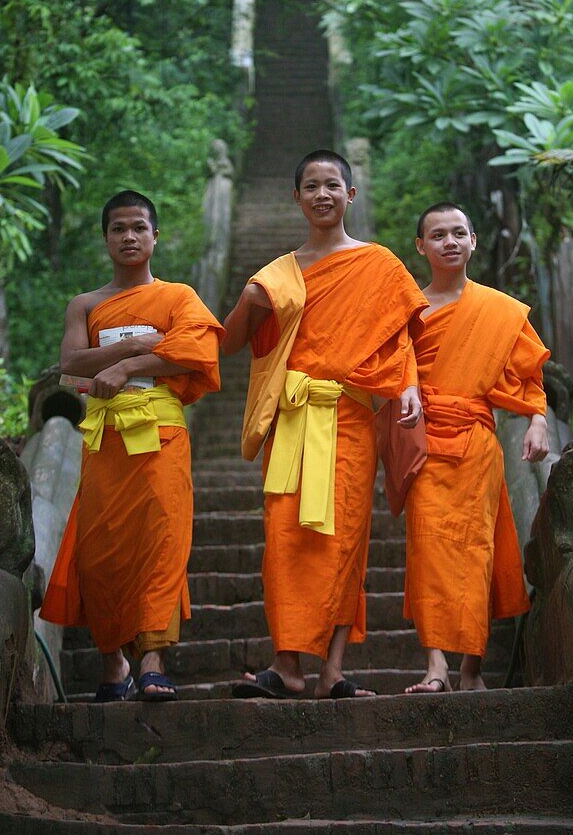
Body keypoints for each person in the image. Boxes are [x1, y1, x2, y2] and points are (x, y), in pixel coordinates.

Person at [223, 150, 427, 699]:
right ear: (296, 198)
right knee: (283, 540)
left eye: (331, 185)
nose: (321, 194)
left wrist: (408, 385)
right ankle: (287, 664)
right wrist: (247, 301)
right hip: (293, 421)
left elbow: (400, 337)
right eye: (310, 185)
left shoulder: (379, 263)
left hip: (350, 419)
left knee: (343, 542)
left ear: (350, 195)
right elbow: (231, 341)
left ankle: (332, 670)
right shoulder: (279, 275)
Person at [40, 190, 223, 702]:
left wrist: (124, 365)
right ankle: (113, 660)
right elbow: (72, 363)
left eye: (139, 227)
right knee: (100, 553)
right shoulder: (86, 304)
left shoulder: (179, 297)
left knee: (162, 542)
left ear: (155, 235)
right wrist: (139, 344)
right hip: (106, 440)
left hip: (162, 436)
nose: (129, 237)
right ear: (106, 239)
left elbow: (196, 354)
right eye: (118, 228)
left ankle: (153, 661)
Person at [403, 202, 549, 695]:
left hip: (477, 444)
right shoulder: (407, 309)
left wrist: (537, 420)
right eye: (438, 235)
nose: (449, 242)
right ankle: (436, 667)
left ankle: (471, 669)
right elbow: (388, 372)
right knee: (428, 548)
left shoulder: (500, 310)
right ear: (421, 247)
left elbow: (528, 374)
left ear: (473, 241)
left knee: (475, 551)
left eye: (458, 233)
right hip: (423, 444)